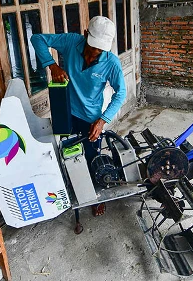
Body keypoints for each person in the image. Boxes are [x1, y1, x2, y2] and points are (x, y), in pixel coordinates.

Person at [31, 16, 126, 216]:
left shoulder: (111, 63)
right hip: (66, 112)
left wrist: (102, 121)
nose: (95, 53)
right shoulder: (72, 42)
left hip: (91, 118)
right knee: (67, 154)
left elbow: (121, 94)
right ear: (85, 35)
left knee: (92, 157)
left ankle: (93, 195)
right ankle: (69, 189)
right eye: (93, 47)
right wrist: (52, 65)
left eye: (100, 49)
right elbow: (37, 39)